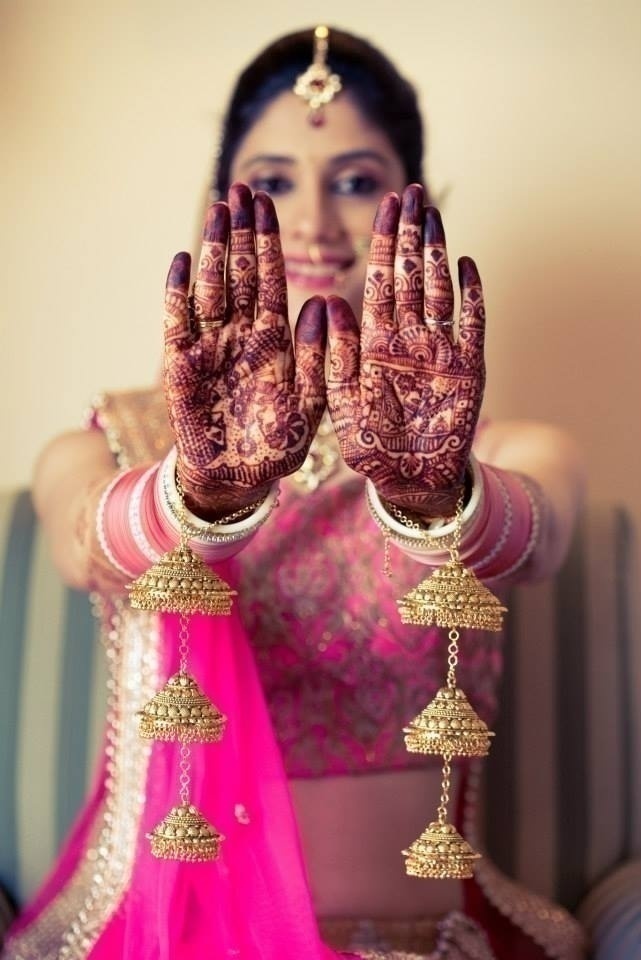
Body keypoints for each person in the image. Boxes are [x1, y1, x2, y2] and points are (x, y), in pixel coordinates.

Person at [3, 26, 586, 960]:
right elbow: (83, 542)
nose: (313, 219)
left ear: (419, 209)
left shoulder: (498, 450)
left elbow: (537, 536)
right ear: (212, 208)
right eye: (271, 181)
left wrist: (436, 492)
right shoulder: (115, 441)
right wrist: (197, 491)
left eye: (356, 180)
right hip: (178, 941)